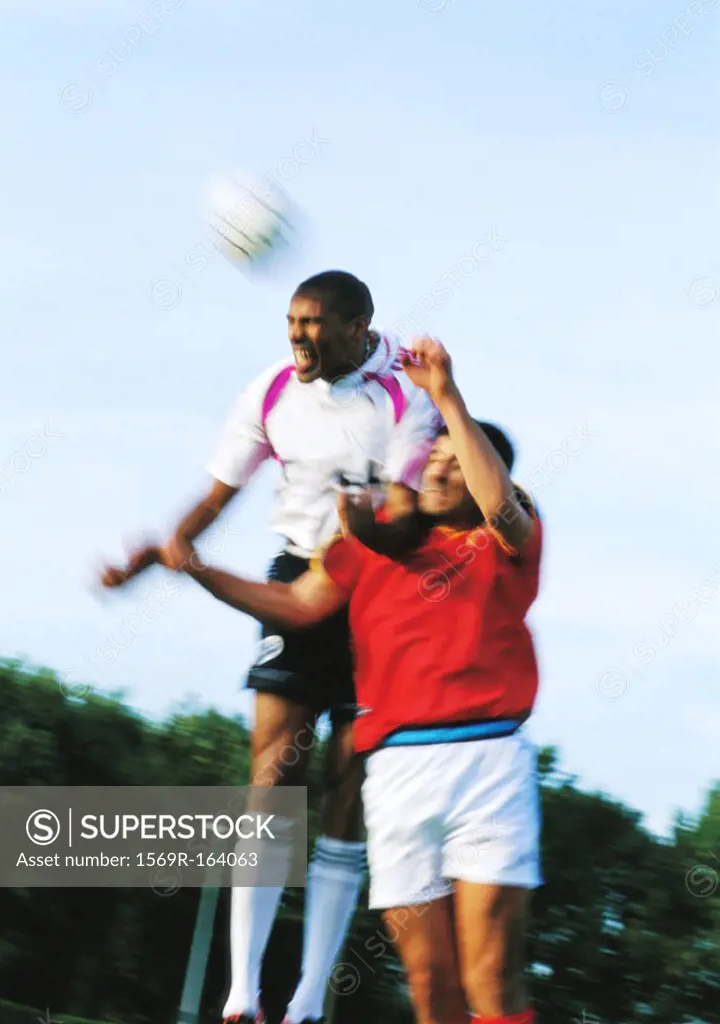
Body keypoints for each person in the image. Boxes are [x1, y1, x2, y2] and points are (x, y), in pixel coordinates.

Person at [152, 337, 543, 1024]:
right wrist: (200, 569)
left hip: (487, 763)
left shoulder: (507, 539)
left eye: (458, 461)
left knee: (491, 975)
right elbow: (297, 605)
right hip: (395, 773)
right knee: (431, 984)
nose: (439, 469)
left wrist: (447, 397)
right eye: (436, 458)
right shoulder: (375, 543)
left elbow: (500, 504)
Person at [100, 271, 440, 1024]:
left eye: (315, 322)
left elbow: (414, 517)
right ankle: (241, 996)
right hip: (294, 579)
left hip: (377, 593)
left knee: (346, 787)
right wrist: (161, 552)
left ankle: (309, 1001)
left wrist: (368, 527)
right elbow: (218, 494)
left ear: (359, 327)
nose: (298, 335)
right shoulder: (270, 392)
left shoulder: (405, 397)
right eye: (291, 320)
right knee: (269, 779)